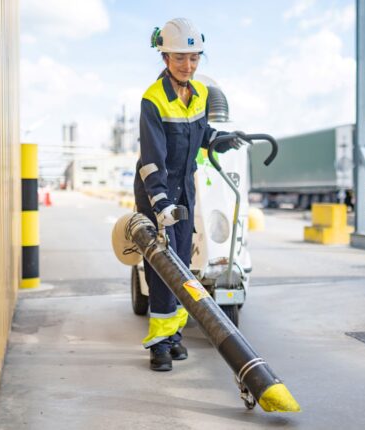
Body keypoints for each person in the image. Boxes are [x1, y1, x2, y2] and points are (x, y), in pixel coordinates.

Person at [135, 18, 245, 371]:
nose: (188, 65)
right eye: (180, 57)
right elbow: (152, 159)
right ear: (165, 57)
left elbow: (199, 133)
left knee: (182, 265)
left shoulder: (199, 94)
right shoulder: (153, 100)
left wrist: (220, 139)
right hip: (157, 192)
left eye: (194, 58)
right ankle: (158, 344)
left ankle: (174, 335)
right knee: (161, 268)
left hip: (184, 190)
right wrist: (160, 203)